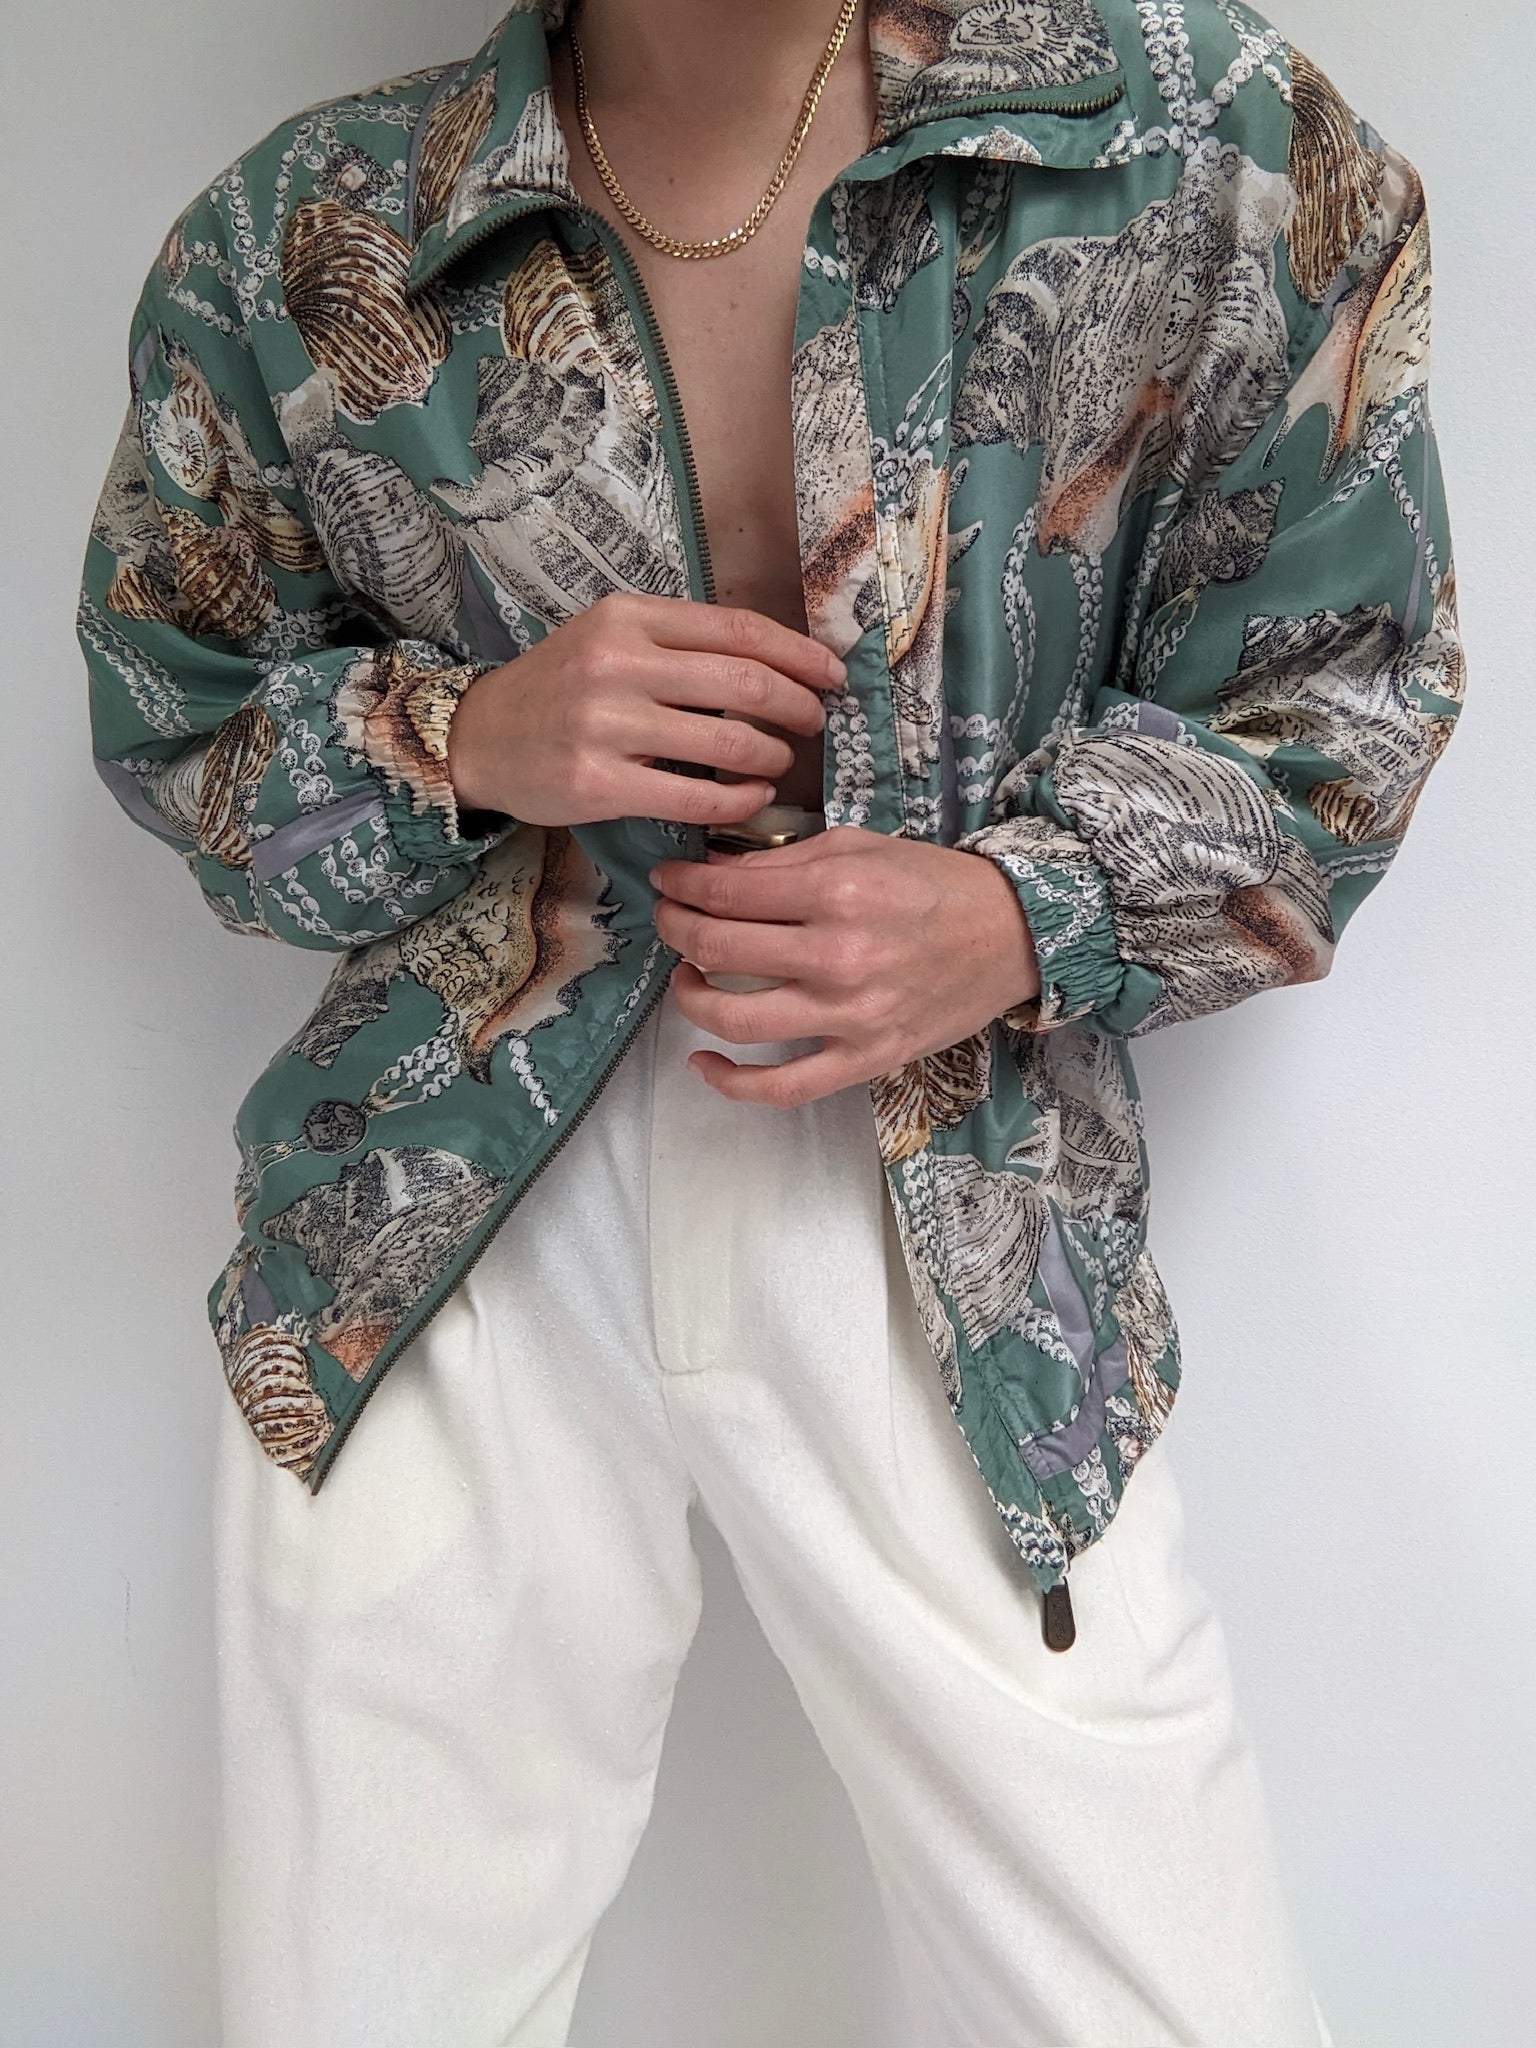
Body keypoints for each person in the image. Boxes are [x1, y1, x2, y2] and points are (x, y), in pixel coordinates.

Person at [78, 1, 1463, 2041]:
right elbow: (173, 723)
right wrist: (463, 733)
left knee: (1157, 1989)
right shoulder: (308, 235)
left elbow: (1349, 697)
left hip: (954, 1214)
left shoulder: (1204, 138)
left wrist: (1019, 910)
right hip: (442, 1232)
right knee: (365, 1998)